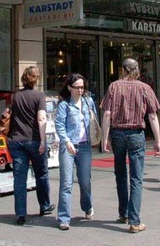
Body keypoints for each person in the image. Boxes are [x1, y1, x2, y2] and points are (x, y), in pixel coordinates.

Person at [100, 58, 160, 234]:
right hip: (136, 134)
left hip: (117, 133)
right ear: (137, 70)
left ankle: (123, 213)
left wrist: (105, 138)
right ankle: (134, 221)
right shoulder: (145, 88)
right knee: (136, 177)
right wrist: (158, 140)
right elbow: (152, 116)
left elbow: (106, 114)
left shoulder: (113, 86)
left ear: (122, 70)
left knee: (120, 174)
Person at [7, 66, 54, 226]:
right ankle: (44, 206)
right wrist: (42, 140)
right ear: (37, 79)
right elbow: (41, 119)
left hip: (16, 140)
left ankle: (21, 214)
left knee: (19, 178)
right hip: (34, 140)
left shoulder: (15, 96)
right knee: (41, 174)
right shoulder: (39, 96)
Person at [54, 73, 96, 231]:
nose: (81, 90)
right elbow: (59, 125)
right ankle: (64, 218)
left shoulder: (88, 101)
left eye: (82, 87)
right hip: (68, 145)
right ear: (70, 88)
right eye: (77, 87)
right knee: (66, 182)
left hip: (84, 146)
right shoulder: (64, 104)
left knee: (85, 182)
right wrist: (66, 141)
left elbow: (93, 122)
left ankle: (87, 206)